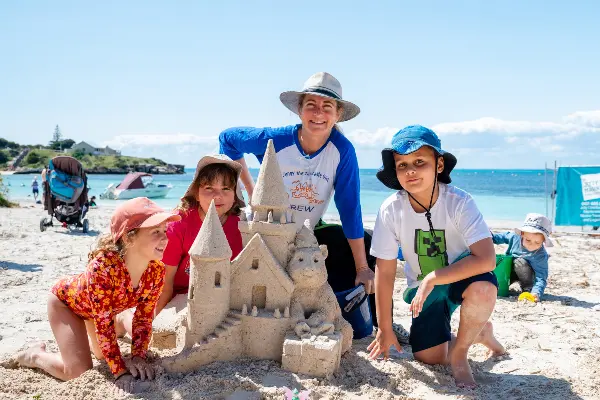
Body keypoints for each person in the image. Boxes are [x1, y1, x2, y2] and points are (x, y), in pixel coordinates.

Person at [218, 72, 408, 340]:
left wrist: (363, 267)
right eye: (311, 105)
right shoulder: (275, 139)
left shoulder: (342, 151)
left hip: (306, 238)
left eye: (327, 107)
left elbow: (349, 208)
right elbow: (228, 139)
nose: (318, 113)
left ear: (338, 114)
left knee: (368, 245)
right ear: (299, 110)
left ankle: (379, 322)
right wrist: (252, 190)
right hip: (267, 235)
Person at [367, 125, 505, 388]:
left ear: (439, 165)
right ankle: (480, 332)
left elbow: (487, 259)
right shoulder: (390, 209)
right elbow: (384, 271)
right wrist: (384, 327)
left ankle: (461, 354)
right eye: (402, 165)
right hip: (423, 292)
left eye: (420, 162)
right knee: (427, 357)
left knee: (484, 288)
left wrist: (434, 276)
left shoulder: (459, 202)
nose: (410, 171)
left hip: (464, 280)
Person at [13, 197, 180, 394]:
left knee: (102, 354)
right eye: (155, 232)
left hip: (100, 311)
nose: (165, 238)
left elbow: (143, 319)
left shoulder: (156, 271)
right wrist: (120, 372)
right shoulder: (103, 267)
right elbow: (103, 326)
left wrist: (138, 356)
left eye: (164, 230)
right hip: (67, 304)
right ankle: (34, 355)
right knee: (77, 372)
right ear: (128, 238)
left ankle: (118, 318)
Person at [115, 155, 245, 335]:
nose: (218, 196)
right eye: (209, 188)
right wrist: (153, 322)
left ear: (234, 194)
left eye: (226, 188)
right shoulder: (180, 222)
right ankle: (124, 318)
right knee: (158, 333)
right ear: (197, 193)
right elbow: (165, 282)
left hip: (218, 294)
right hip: (179, 292)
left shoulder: (242, 226)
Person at [492, 213, 553, 302]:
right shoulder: (515, 237)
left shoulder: (540, 256)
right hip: (509, 271)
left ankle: (527, 288)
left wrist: (536, 292)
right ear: (522, 234)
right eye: (528, 240)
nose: (531, 245)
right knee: (500, 264)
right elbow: (499, 237)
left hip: (527, 275)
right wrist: (488, 236)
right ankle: (502, 284)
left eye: (537, 243)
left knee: (519, 262)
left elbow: (541, 278)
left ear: (543, 241)